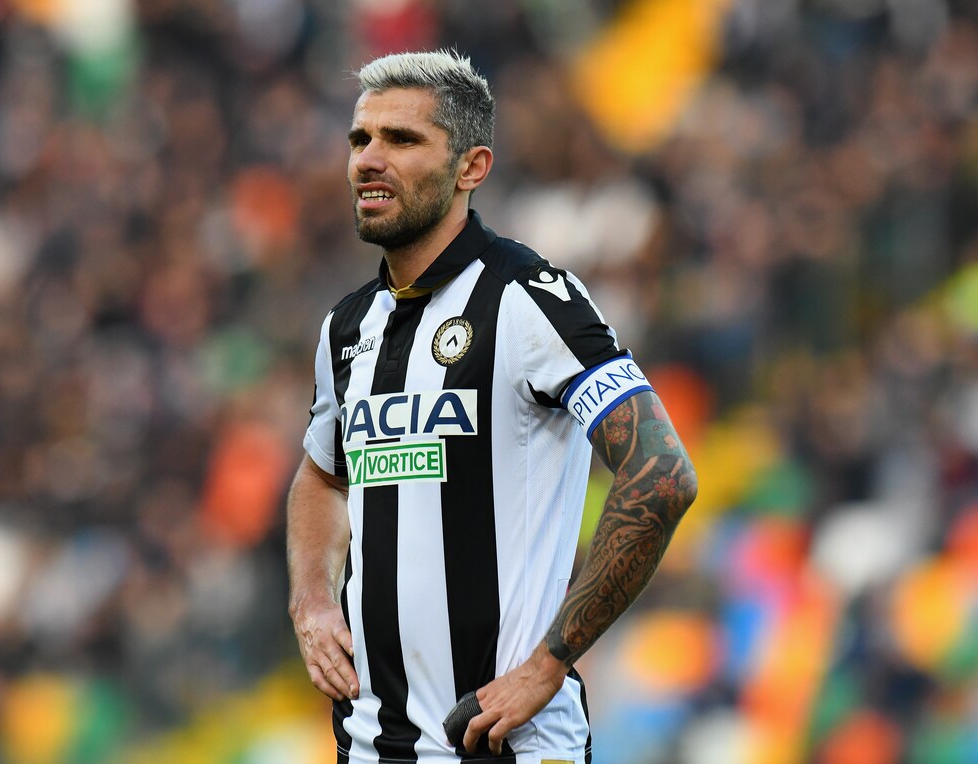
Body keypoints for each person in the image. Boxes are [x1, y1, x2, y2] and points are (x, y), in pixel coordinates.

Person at [287, 49, 698, 764]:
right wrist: (312, 601)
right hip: (371, 745)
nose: (368, 160)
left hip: (510, 745)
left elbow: (661, 474)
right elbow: (322, 476)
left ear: (471, 168)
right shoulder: (346, 327)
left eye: (402, 139)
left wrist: (547, 666)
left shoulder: (529, 300)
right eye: (360, 139)